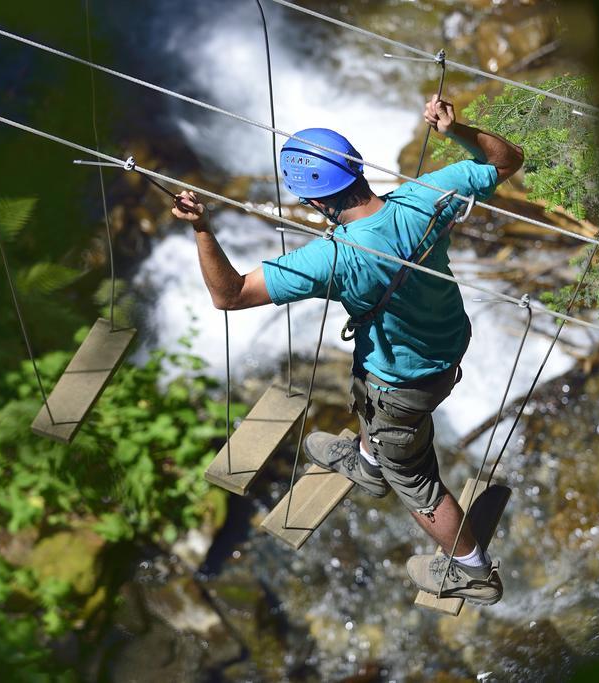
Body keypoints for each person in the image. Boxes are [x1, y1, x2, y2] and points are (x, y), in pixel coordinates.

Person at [173, 95, 524, 605]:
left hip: (403, 382)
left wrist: (203, 229)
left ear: (316, 203)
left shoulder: (331, 258)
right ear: (357, 169)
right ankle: (368, 459)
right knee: (369, 392)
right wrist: (457, 129)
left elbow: (230, 295)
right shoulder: (426, 196)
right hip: (446, 347)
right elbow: (504, 160)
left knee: (418, 479)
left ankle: (474, 572)